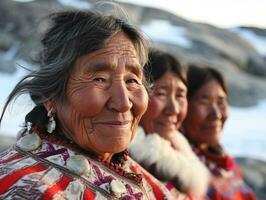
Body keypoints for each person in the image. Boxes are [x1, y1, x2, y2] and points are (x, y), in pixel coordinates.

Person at [0, 10, 173, 199]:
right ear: (50, 96)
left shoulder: (143, 180)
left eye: (131, 80)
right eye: (99, 79)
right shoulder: (28, 189)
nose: (123, 103)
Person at [129, 49, 210, 199]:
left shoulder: (184, 154)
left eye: (180, 95)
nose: (173, 109)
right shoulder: (123, 161)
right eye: (160, 94)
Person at [182, 65, 257, 200]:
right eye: (204, 101)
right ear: (182, 106)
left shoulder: (225, 164)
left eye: (221, 102)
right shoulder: (178, 171)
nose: (216, 114)